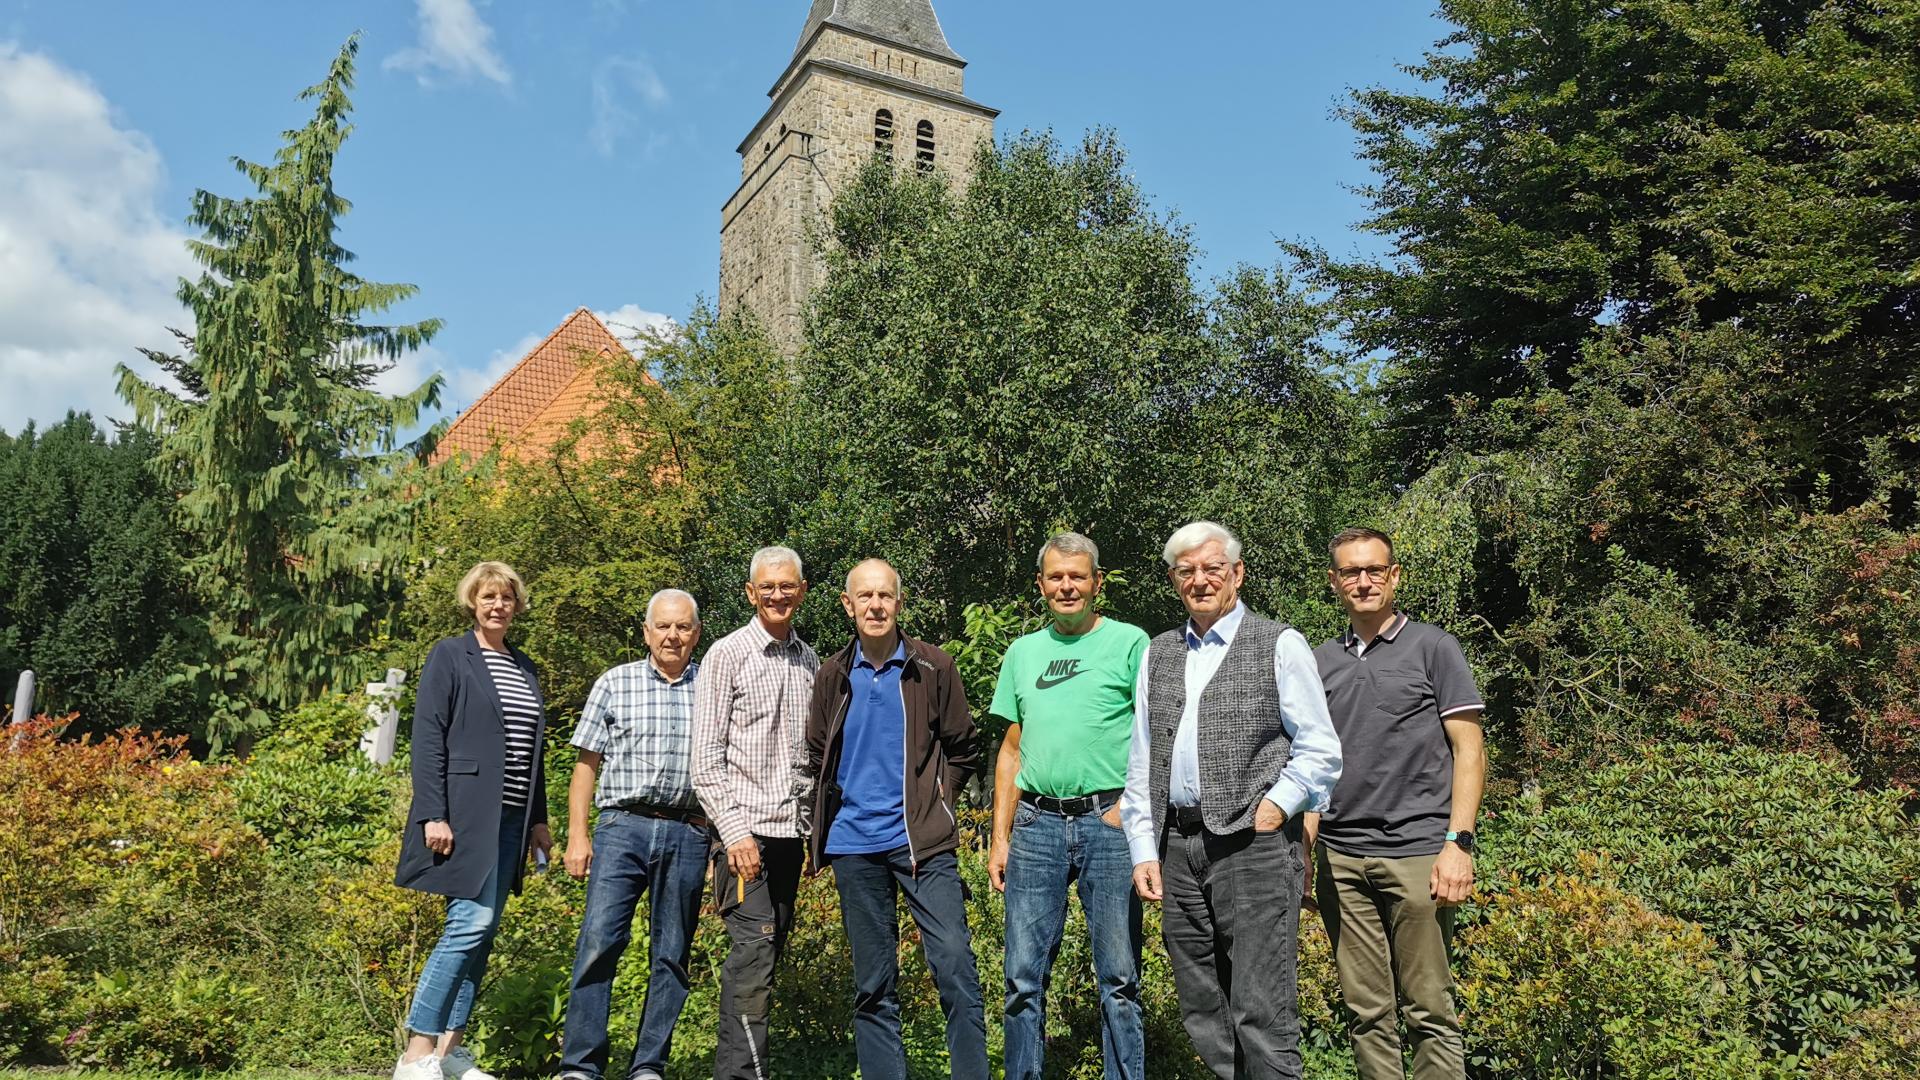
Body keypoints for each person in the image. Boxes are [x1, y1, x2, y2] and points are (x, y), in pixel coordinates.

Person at [1119, 521, 1342, 1080]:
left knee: (1260, 1008)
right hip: (1178, 846)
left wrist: (1280, 804)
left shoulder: (1279, 642)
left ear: (1237, 574)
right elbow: (1143, 760)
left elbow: (1320, 745)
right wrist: (1144, 848)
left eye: (1212, 568)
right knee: (1202, 1006)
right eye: (1186, 571)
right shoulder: (1158, 653)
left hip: (1254, 844)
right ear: (1174, 580)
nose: (1200, 580)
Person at [1307, 528, 1485, 1080]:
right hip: (1341, 858)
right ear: (1334, 582)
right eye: (1351, 572)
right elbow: (1312, 765)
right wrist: (1304, 852)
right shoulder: (1319, 662)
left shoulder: (1433, 647)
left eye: (1374, 570)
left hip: (1418, 854)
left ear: (1395, 575)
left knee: (1429, 1008)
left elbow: (1469, 749)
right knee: (1366, 1013)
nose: (1363, 581)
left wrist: (1458, 844)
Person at [804, 558, 988, 1080]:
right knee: (874, 984)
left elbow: (962, 749)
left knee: (955, 969)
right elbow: (819, 757)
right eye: (865, 597)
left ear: (899, 603)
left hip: (924, 846)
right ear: (848, 605)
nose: (876, 605)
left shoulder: (933, 667)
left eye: (885, 595)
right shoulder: (833, 675)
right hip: (855, 847)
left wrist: (940, 806)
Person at [986, 532, 1150, 1080]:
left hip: (1108, 825)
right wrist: (1000, 836)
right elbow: (1011, 751)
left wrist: (1132, 805)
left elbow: (1156, 733)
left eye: (1077, 576)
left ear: (1097, 582)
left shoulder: (1130, 644)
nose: (1067, 586)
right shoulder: (1022, 652)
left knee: (1120, 978)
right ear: (1041, 585)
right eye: (1056, 577)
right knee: (1022, 977)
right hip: (1035, 825)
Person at [392, 561, 553, 1080]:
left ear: (517, 605)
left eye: (506, 598)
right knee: (469, 924)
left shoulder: (525, 666)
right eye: (488, 597)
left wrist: (538, 820)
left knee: (483, 933)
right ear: (472, 602)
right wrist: (433, 812)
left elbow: (533, 751)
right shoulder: (450, 655)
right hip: (463, 816)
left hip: (511, 818)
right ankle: (417, 1052)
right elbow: (427, 736)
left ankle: (450, 1053)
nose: (498, 606)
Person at [557, 589, 709, 1080]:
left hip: (688, 831)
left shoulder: (711, 685)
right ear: (646, 632)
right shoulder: (614, 683)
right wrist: (577, 836)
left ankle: (648, 1066)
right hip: (622, 827)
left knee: (672, 953)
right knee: (600, 941)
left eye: (683, 627)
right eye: (663, 626)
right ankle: (580, 1066)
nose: (673, 636)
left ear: (696, 633)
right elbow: (585, 767)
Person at [691, 545, 820, 1080]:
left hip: (791, 838)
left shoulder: (812, 662)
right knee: (753, 956)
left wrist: (815, 834)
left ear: (802, 592)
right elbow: (705, 759)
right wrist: (735, 832)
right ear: (750, 592)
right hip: (744, 837)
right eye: (767, 586)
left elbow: (812, 760)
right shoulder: (727, 654)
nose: (777, 595)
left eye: (787, 586)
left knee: (769, 955)